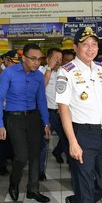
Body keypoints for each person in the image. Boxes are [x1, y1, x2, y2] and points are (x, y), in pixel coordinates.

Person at [56, 27, 102, 203]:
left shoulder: (101, 69)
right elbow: (63, 109)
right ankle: (83, 201)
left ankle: (78, 201)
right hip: (82, 134)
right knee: (84, 184)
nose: (90, 48)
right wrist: (72, 142)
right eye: (85, 44)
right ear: (75, 47)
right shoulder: (66, 72)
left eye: (94, 44)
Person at [0, 43, 52, 203]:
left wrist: (46, 122)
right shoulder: (9, 73)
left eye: (39, 59)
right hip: (14, 118)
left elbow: (41, 100)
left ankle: (33, 190)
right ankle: (14, 184)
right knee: (21, 155)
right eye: (33, 59)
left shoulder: (39, 76)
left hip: (33, 118)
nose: (37, 62)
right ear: (23, 58)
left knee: (35, 155)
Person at [38, 48, 65, 182]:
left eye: (60, 59)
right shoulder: (40, 71)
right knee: (44, 142)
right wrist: (49, 67)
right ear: (48, 59)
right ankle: (41, 171)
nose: (58, 61)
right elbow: (42, 86)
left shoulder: (63, 72)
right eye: (55, 58)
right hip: (46, 112)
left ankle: (58, 152)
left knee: (66, 138)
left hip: (61, 112)